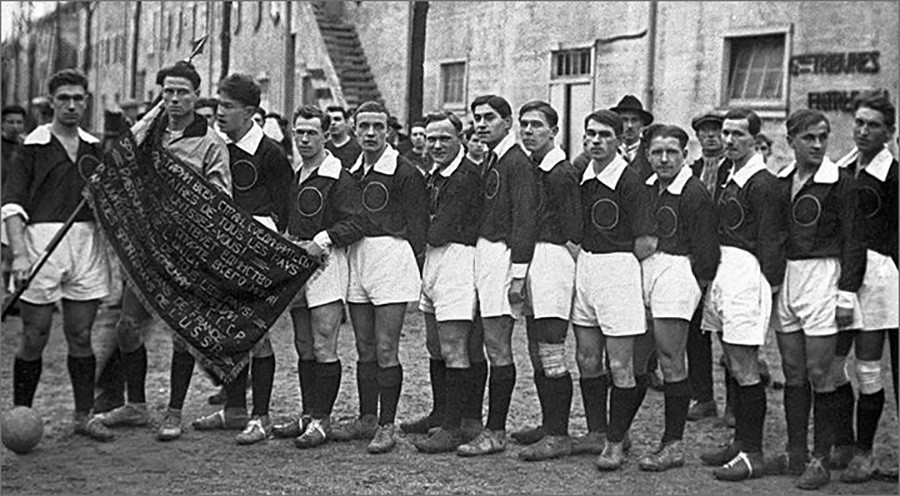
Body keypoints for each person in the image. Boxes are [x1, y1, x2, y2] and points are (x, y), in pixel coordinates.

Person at [95, 61, 232, 442]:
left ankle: (173, 411)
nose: (174, 99)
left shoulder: (210, 142)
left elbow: (220, 199)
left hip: (185, 252)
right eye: (168, 92)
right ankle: (136, 405)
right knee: (126, 328)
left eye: (182, 92)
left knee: (182, 336)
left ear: (195, 95)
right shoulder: (146, 134)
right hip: (143, 248)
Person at [2, 69, 114, 441]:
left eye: (77, 98)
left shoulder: (95, 148)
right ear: (51, 101)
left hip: (85, 246)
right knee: (35, 334)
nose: (71, 105)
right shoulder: (30, 147)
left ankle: (84, 415)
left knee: (80, 334)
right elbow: (12, 206)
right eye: (63, 98)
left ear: (86, 101)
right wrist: (18, 255)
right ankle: (22, 414)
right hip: (40, 245)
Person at [188, 73, 294, 445]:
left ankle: (261, 417)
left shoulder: (270, 153)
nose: (220, 113)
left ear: (250, 112)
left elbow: (286, 210)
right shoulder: (213, 147)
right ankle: (234, 411)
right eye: (218, 105)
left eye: (228, 107)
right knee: (228, 330)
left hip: (255, 253)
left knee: (257, 334)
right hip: (220, 251)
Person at [768, 109, 866, 490]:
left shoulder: (842, 184)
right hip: (789, 278)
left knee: (821, 373)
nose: (817, 144)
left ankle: (821, 459)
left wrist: (846, 294)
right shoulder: (780, 183)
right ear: (791, 139)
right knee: (792, 372)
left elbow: (855, 243)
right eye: (808, 137)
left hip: (825, 277)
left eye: (823, 137)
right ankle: (795, 452)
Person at [330, 101, 428, 454]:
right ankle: (366, 418)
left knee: (387, 346)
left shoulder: (405, 172)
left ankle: (387, 425)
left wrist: (410, 266)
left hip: (391, 256)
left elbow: (419, 227)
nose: (370, 133)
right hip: (358, 256)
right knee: (364, 346)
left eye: (378, 127)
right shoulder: (350, 170)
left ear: (389, 131)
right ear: (355, 130)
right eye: (364, 127)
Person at [699, 108, 785, 482]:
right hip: (723, 271)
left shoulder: (763, 183)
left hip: (748, 276)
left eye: (738, 135)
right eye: (726, 133)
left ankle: (753, 454)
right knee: (732, 361)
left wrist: (768, 287)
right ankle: (739, 442)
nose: (729, 140)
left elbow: (771, 241)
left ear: (756, 139)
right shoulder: (725, 172)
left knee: (747, 367)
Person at [270, 105, 363, 449]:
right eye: (299, 133)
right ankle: (307, 415)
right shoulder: (299, 172)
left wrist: (320, 241)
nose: (305, 139)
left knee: (325, 343)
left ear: (326, 135)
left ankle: (322, 421)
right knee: (303, 345)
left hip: (327, 266)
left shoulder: (339, 174)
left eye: (312, 133)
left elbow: (356, 223)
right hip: (298, 268)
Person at [571, 109, 656, 471]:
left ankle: (616, 440)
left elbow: (647, 240)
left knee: (620, 364)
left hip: (619, 269)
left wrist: (622, 270)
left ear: (620, 140)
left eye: (604, 135)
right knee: (586, 359)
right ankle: (596, 430)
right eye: (590, 134)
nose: (595, 141)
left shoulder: (631, 180)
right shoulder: (583, 175)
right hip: (586, 268)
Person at [455, 94, 538, 457]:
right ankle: (473, 421)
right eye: (477, 118)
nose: (482, 124)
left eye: (490, 117)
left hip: (504, 258)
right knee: (477, 342)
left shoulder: (517, 163)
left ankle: (497, 431)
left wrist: (518, 275)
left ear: (508, 122)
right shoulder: (492, 158)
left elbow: (525, 220)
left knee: (497, 346)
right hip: (484, 254)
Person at [637, 124, 720, 471]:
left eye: (672, 152)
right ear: (647, 155)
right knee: (639, 356)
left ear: (685, 155)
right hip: (649, 273)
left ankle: (673, 444)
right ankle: (617, 433)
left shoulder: (694, 192)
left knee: (671, 359)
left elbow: (706, 253)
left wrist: (694, 292)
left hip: (679, 276)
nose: (664, 158)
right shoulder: (648, 187)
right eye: (657, 152)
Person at [827, 94, 898, 484]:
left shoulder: (894, 177)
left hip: (877, 277)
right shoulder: (841, 167)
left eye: (873, 125)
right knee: (832, 364)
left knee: (868, 368)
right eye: (859, 122)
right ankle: (844, 441)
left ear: (889, 132)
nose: (863, 130)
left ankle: (866, 454)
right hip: (841, 273)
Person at [408, 110, 485, 453]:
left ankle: (455, 426)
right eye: (431, 138)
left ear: (461, 140)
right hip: (434, 262)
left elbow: (439, 230)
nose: (437, 145)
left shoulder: (467, 176)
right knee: (435, 345)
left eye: (445, 139)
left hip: (457, 259)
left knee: (455, 347)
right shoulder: (434, 175)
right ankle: (440, 414)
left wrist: (412, 231)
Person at [509, 101, 581, 461]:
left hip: (553, 260)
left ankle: (559, 434)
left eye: (537, 125)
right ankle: (549, 423)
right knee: (537, 352)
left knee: (552, 350)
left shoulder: (561, 173)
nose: (529, 131)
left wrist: (563, 267)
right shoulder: (534, 168)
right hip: (534, 259)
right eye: (524, 125)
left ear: (554, 130)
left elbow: (573, 230)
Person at [685, 110, 728, 423]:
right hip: (697, 259)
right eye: (706, 132)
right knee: (695, 332)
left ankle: (736, 404)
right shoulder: (692, 169)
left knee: (730, 332)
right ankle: (703, 397)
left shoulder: (734, 169)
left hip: (728, 259)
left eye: (717, 131)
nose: (712, 137)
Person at [609, 95, 654, 182]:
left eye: (634, 120)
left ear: (642, 123)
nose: (630, 126)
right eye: (624, 120)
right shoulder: (609, 150)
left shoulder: (649, 150)